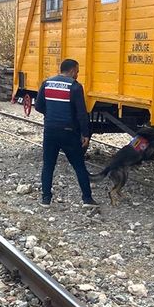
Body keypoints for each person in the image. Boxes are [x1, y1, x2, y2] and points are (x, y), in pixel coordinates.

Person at [35, 58, 99, 207]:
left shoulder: (47, 83)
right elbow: (81, 113)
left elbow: (38, 106)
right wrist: (85, 133)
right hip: (69, 132)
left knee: (48, 165)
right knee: (79, 165)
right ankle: (87, 199)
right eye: (77, 71)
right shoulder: (75, 87)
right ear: (71, 71)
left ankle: (46, 199)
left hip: (50, 131)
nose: (77, 74)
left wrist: (50, 115)